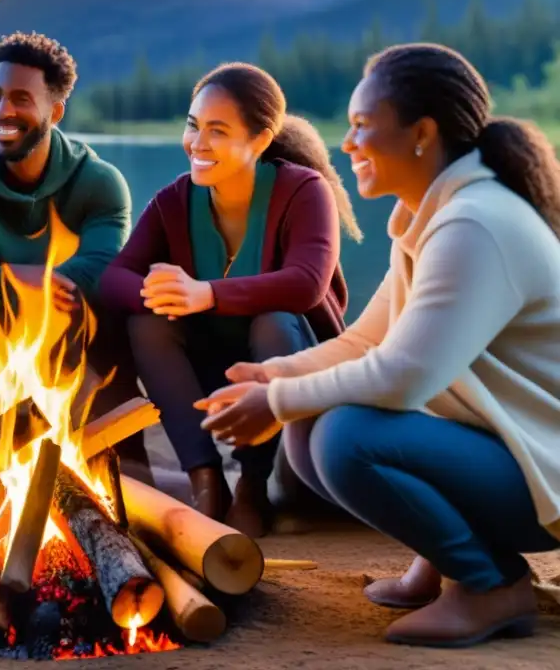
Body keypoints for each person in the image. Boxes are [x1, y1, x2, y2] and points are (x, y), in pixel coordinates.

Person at [198, 43, 560, 647]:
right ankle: (444, 557)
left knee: (346, 438)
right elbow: (368, 340)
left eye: (362, 125)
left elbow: (405, 375)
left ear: (421, 133)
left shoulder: (474, 223)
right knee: (309, 430)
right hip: (504, 452)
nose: (346, 143)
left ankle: (489, 583)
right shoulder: (429, 216)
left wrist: (280, 397)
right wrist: (276, 376)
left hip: (543, 471)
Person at [98, 63, 361, 537]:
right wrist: (161, 291)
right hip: (205, 367)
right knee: (148, 320)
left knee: (273, 321)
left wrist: (205, 294)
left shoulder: (303, 191)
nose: (197, 143)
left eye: (217, 131)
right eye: (193, 125)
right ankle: (206, 479)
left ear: (259, 140)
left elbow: (307, 284)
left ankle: (252, 487)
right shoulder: (173, 201)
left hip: (289, 369)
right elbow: (113, 278)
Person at [0, 32, 149, 469]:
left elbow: (102, 268)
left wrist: (37, 286)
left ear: (56, 111)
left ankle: (126, 466)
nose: (3, 111)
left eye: (21, 99)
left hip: (71, 326)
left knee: (116, 313)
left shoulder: (99, 182)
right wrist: (21, 281)